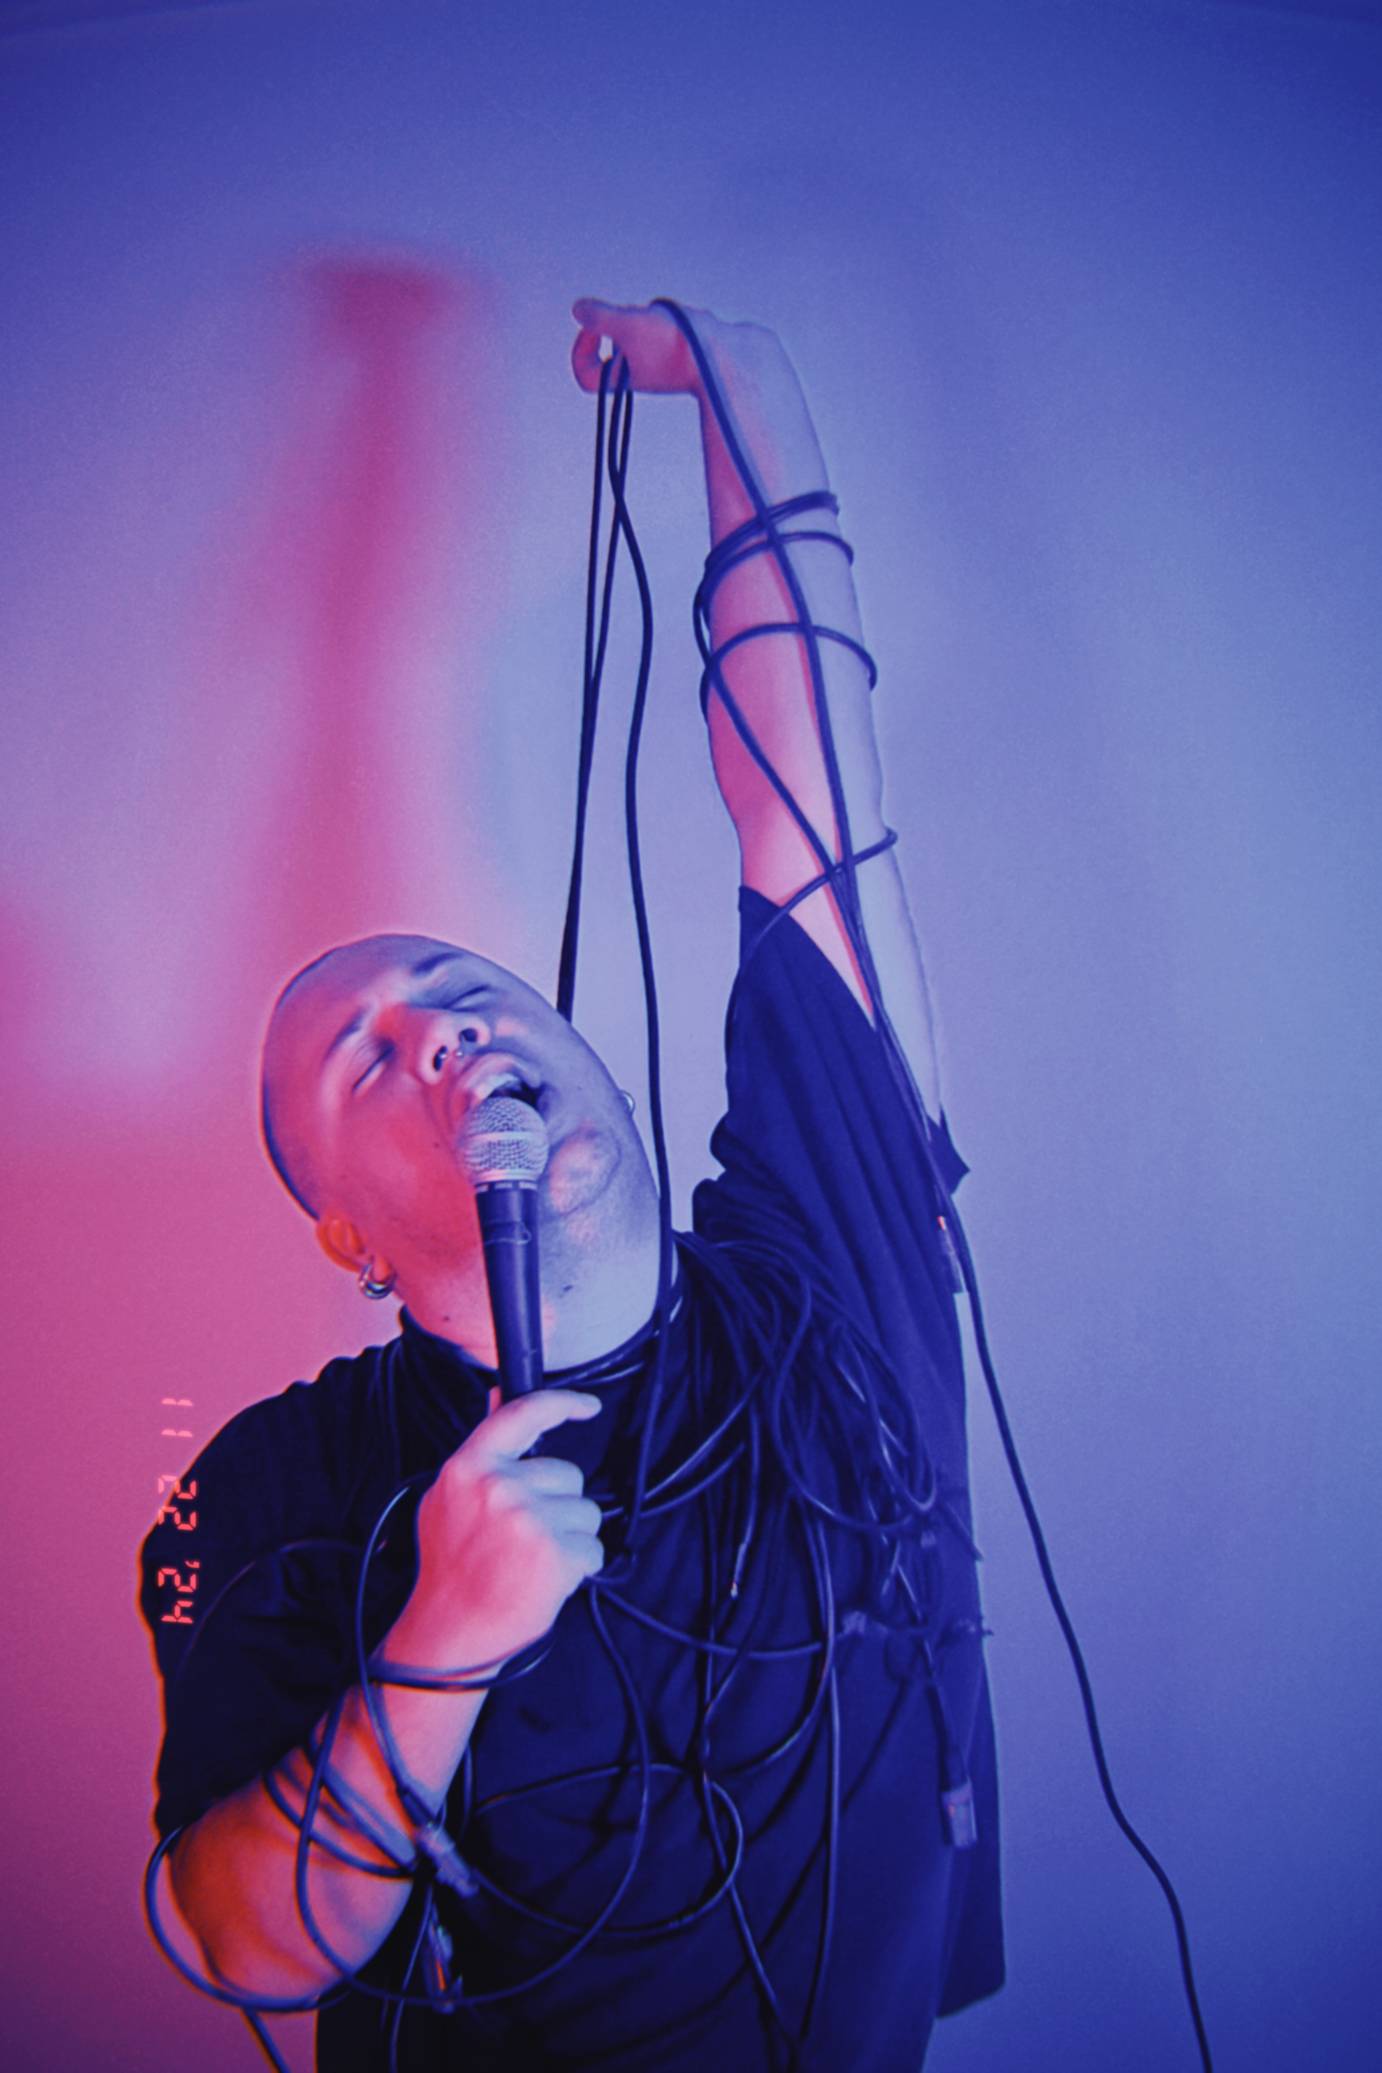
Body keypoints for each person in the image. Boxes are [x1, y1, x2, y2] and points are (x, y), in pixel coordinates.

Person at [139, 298, 1005, 2071]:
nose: (440, 1028)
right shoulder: (275, 1485)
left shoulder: (823, 1265)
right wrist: (443, 1638)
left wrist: (742, 377)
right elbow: (228, 1934)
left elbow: (813, 814)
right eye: (367, 1056)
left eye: (457, 987)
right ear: (345, 1236)